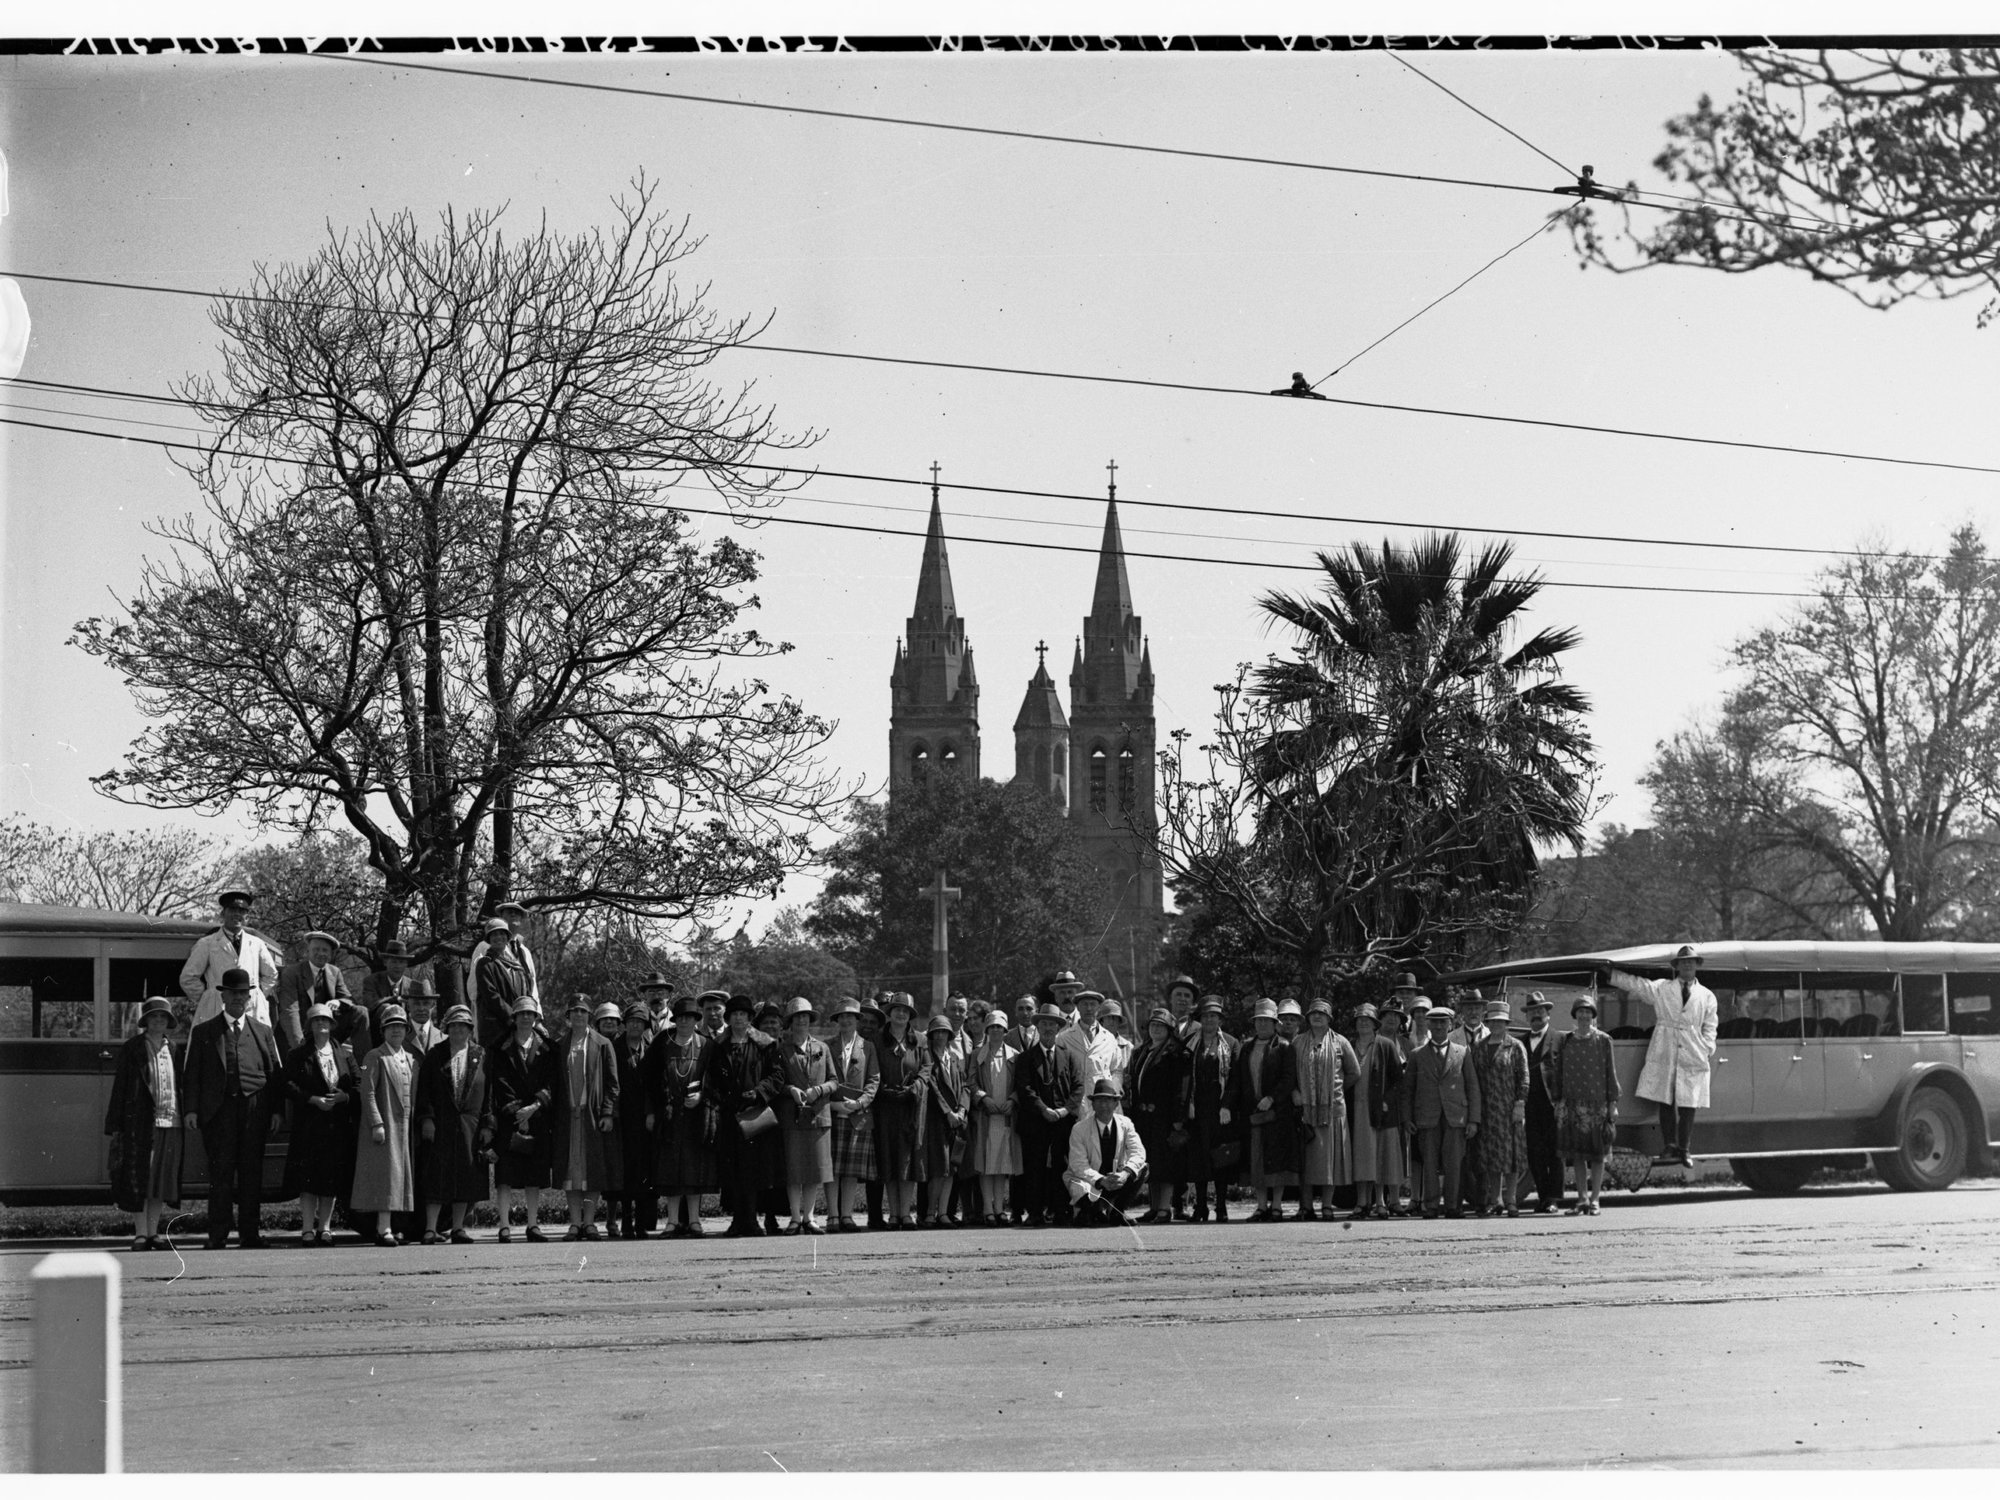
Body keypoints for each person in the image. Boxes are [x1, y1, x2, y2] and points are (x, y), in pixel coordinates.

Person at [182, 967, 285, 1249]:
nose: (238, 998)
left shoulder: (263, 1032)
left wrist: (276, 1111)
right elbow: (192, 1075)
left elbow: (273, 1074)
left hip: (255, 1111)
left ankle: (250, 1235)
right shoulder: (205, 1032)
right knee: (221, 1174)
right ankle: (218, 1235)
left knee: (252, 1175)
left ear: (249, 997)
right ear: (223, 996)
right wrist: (191, 1110)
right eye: (233, 993)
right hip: (219, 1112)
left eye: (243, 993)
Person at [1608, 945, 1718, 1166]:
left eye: (1691, 961)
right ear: (1677, 966)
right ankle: (1669, 1145)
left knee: (1689, 1103)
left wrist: (1707, 1047)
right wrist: (1612, 975)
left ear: (1697, 965)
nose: (1687, 965)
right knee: (1666, 1100)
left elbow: (1710, 1026)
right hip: (1666, 1045)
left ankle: (1684, 1149)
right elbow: (1637, 985)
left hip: (1693, 1049)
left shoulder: (1706, 995)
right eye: (1683, 962)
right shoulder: (1663, 988)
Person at [105, 995, 184, 1250]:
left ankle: (154, 1233)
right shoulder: (133, 1048)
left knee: (159, 1180)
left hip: (169, 1121)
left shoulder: (173, 1048)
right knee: (139, 1178)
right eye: (154, 1017)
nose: (158, 1021)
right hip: (140, 1123)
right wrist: (116, 1124)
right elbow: (121, 1087)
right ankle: (140, 1234)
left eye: (163, 1017)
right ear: (146, 1021)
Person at [281, 1001, 360, 1245]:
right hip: (309, 1124)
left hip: (337, 1125)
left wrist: (344, 1097)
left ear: (332, 1024)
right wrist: (312, 1099)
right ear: (310, 1025)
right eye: (316, 1021)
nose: (321, 1024)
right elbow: (288, 1085)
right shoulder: (297, 1054)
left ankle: (325, 1228)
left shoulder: (345, 1053)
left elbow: (358, 1083)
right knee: (308, 1179)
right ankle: (307, 1228)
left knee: (331, 1178)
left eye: (325, 1020)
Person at [416, 1003, 491, 1244]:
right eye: (454, 1025)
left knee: (466, 1176)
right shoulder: (435, 1054)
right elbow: (424, 1091)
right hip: (441, 1124)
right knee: (437, 1176)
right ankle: (430, 1229)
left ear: (470, 1028)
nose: (458, 1029)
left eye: (463, 1025)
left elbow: (489, 1093)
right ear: (447, 1027)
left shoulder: (481, 1055)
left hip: (471, 1124)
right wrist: (426, 1118)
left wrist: (488, 1125)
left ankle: (458, 1228)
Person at [707, 993, 781, 1237]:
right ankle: (737, 1220)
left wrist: (759, 1093)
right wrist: (723, 1099)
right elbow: (711, 1079)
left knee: (754, 1169)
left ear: (750, 1018)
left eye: (743, 1014)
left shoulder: (765, 1044)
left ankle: (752, 1219)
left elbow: (777, 1076)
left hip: (755, 1115)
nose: (739, 1018)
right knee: (732, 1170)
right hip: (729, 1115)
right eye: (735, 1014)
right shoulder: (718, 1046)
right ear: (728, 1018)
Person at [1400, 1004, 1481, 1219]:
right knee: (1429, 1163)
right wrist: (1407, 1118)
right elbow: (1408, 1090)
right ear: (1427, 1023)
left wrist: (1473, 1120)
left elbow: (1472, 1086)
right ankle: (1432, 1206)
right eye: (1433, 1021)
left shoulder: (1462, 1053)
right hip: (1427, 1116)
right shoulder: (1417, 1055)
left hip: (1456, 1116)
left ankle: (1453, 1206)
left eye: (1442, 1022)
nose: (1438, 1026)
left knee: (1454, 1163)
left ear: (1450, 1024)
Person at [647, 994, 716, 1237]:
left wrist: (702, 1097)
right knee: (670, 1171)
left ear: (697, 1019)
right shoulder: (662, 1043)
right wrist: (651, 1111)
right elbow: (649, 1080)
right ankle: (673, 1221)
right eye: (681, 1018)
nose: (685, 1022)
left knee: (694, 1170)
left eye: (690, 1018)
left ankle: (695, 1221)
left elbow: (717, 1080)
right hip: (669, 1116)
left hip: (697, 1117)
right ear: (675, 1020)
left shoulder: (707, 1045)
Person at [552, 994, 619, 1241]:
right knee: (571, 1172)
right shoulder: (559, 1045)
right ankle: (574, 1223)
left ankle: (590, 1223)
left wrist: (608, 1112)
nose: (578, 1015)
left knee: (593, 1171)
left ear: (589, 1016)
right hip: (568, 1118)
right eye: (574, 1011)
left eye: (582, 1011)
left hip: (592, 1117)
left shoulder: (602, 1044)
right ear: (568, 1017)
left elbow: (613, 1084)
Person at [490, 994, 555, 1243]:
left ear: (536, 1017)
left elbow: (552, 1081)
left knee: (533, 1176)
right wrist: (518, 1111)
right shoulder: (500, 1048)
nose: (526, 1018)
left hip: (537, 1118)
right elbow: (500, 1082)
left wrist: (535, 1107)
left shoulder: (548, 1047)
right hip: (509, 1119)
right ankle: (504, 1226)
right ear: (514, 1018)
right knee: (505, 1176)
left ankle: (533, 1225)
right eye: (521, 1014)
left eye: (530, 1013)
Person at [352, 1004, 418, 1247]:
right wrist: (377, 1123)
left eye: (400, 1027)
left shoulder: (409, 1058)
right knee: (385, 1178)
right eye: (391, 1027)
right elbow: (367, 1093)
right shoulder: (375, 1056)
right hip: (385, 1125)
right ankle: (384, 1229)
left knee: (400, 1178)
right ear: (383, 1031)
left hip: (404, 1127)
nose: (396, 1031)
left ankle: (396, 1227)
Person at [1550, 994, 1621, 1215]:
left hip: (1598, 1105)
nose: (1584, 1015)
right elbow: (1559, 1071)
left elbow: (1611, 1072)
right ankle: (1581, 1198)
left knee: (1598, 1154)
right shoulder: (1567, 1040)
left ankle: (1595, 1199)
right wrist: (1558, 1101)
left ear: (1593, 1015)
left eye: (1588, 1012)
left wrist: (1613, 1103)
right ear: (1575, 1014)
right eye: (1580, 1011)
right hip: (1572, 1105)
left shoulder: (1603, 1040)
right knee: (1578, 1154)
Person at [769, 997, 835, 1234]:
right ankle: (795, 1217)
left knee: (815, 1170)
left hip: (818, 1115)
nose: (802, 1021)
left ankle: (810, 1217)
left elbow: (834, 1081)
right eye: (797, 1017)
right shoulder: (781, 1049)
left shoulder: (822, 1048)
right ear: (790, 1022)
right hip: (792, 1116)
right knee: (794, 1170)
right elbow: (777, 1082)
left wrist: (819, 1089)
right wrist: (791, 1090)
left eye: (805, 1017)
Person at [1013, 1000, 1081, 1227]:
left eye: (1053, 1024)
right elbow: (1025, 1089)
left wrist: (1063, 1111)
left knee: (1062, 1166)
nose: (1048, 1028)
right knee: (1035, 1167)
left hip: (1063, 1121)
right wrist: (1044, 1110)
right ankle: (1034, 1212)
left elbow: (1078, 1087)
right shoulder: (1025, 1058)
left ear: (1059, 1027)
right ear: (1038, 1027)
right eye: (1044, 1023)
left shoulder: (1069, 1055)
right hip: (1035, 1121)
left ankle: (1061, 1210)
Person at [1293, 999, 1359, 1221]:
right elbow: (1290, 1073)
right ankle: (1306, 1206)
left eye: (1322, 1014)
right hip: (1306, 1111)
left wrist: (1335, 1089)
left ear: (1329, 1018)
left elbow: (1354, 1072)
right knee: (1308, 1161)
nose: (1317, 1017)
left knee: (1330, 1162)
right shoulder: (1298, 1042)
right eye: (1313, 1014)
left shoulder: (1340, 1042)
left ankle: (1328, 1206)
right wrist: (1297, 1092)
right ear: (1308, 1017)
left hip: (1333, 1110)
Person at [1234, 998, 1299, 1221]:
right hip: (1253, 1112)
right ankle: (1261, 1206)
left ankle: (1277, 1206)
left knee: (1277, 1160)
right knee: (1257, 1159)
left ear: (1275, 1023)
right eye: (1259, 1020)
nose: (1262, 1025)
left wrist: (1272, 1098)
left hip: (1277, 1113)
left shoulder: (1284, 1047)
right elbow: (1238, 1080)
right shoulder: (1246, 1048)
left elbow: (1289, 1078)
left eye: (1267, 1021)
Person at [180, 890, 279, 1029]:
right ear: (223, 913)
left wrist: (257, 995)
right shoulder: (207, 943)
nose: (237, 914)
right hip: (217, 1009)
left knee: (255, 1046)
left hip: (252, 1010)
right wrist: (209, 997)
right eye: (232, 909)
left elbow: (271, 975)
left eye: (242, 910)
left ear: (247, 916)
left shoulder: (257, 944)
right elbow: (188, 977)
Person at [1124, 1007, 1187, 1224]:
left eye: (1161, 1026)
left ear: (1169, 1030)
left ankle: (1164, 1208)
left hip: (1165, 1116)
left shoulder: (1176, 1053)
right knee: (1149, 1161)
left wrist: (1179, 1118)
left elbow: (1180, 1089)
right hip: (1143, 1117)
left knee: (1165, 1162)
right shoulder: (1142, 1051)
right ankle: (1153, 1207)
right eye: (1153, 1025)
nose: (1156, 1029)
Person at [1469, 999, 1531, 1218]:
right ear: (1488, 1022)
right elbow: (1473, 1079)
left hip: (1508, 1109)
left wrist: (1520, 1104)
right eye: (1493, 1021)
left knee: (1511, 1158)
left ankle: (1511, 1200)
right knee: (1491, 1157)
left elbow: (1524, 1077)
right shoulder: (1479, 1047)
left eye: (1501, 1021)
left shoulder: (1515, 1046)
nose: (1497, 1025)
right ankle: (1495, 1200)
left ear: (1506, 1023)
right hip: (1486, 1111)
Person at [871, 993, 928, 1229]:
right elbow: (871, 1069)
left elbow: (926, 1070)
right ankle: (893, 1213)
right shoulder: (876, 1040)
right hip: (885, 1107)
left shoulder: (920, 1041)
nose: (901, 1014)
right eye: (897, 1009)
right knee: (888, 1159)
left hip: (909, 1107)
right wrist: (882, 1090)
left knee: (907, 1160)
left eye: (905, 1010)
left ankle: (906, 1213)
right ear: (890, 1012)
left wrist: (914, 1088)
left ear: (910, 1015)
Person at [1183, 996, 1239, 1223]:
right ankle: (1201, 1206)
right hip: (1198, 1109)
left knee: (1221, 1158)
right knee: (1199, 1159)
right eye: (1205, 1016)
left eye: (1213, 1016)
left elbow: (1235, 1079)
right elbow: (1184, 1076)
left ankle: (1222, 1205)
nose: (1209, 1019)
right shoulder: (1190, 1043)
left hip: (1221, 1109)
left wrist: (1226, 1105)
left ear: (1220, 1019)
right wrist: (1189, 1103)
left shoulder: (1231, 1043)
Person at [1064, 1077, 1149, 1226]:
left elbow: (1138, 1152)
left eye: (1109, 1100)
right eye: (1100, 1100)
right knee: (1084, 1205)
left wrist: (1124, 1174)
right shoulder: (1079, 1129)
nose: (1104, 1105)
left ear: (1116, 1104)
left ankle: (1118, 1211)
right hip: (1090, 1182)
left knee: (1143, 1168)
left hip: (1117, 1180)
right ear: (1093, 1104)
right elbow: (1078, 1165)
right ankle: (1091, 1211)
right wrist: (1101, 1180)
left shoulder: (1126, 1123)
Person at [1348, 1003, 1406, 1220]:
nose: (1363, 1023)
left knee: (1381, 1156)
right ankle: (1362, 1202)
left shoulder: (1385, 1045)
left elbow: (1397, 1080)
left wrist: (1386, 1101)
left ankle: (1381, 1202)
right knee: (1361, 1157)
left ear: (1375, 1024)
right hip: (1356, 1109)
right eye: (1359, 1020)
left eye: (1368, 1020)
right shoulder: (1349, 1045)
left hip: (1379, 1110)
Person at [826, 996, 879, 1232]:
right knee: (832, 1170)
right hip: (833, 1113)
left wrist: (861, 1102)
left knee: (850, 1171)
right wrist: (832, 1105)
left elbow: (873, 1079)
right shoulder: (826, 1046)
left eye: (850, 1016)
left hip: (858, 1114)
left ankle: (847, 1216)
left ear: (857, 1020)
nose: (846, 1020)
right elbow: (821, 1079)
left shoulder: (868, 1047)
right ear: (837, 1020)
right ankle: (833, 1216)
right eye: (842, 1016)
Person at [968, 1010, 1021, 1225]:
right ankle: (987, 1209)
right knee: (986, 1163)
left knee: (1003, 1164)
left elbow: (1020, 1083)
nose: (996, 1030)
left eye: (1000, 1027)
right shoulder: (977, 1055)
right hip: (986, 1117)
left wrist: (1013, 1100)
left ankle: (1000, 1209)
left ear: (1005, 1030)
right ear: (987, 1030)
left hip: (1007, 1117)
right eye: (992, 1027)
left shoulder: (1015, 1056)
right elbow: (970, 1082)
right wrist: (983, 1099)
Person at [608, 1004, 657, 1238]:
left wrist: (650, 1112)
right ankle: (625, 1219)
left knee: (643, 1170)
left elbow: (655, 1086)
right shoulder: (614, 1048)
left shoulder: (651, 1049)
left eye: (640, 1022)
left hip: (644, 1119)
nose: (635, 1025)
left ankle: (641, 1221)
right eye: (631, 1021)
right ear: (625, 1024)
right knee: (624, 1171)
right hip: (622, 1118)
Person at [920, 1011, 970, 1227]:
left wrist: (962, 1111)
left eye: (944, 1032)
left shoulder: (955, 1058)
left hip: (957, 1122)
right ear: (931, 1034)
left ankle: (943, 1213)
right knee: (938, 1169)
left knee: (952, 1168)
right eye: (936, 1032)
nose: (940, 1036)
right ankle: (930, 1213)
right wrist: (947, 1112)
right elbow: (931, 1086)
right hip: (937, 1121)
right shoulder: (928, 1057)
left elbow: (965, 1087)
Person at [1519, 992, 1566, 1212]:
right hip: (1529, 1105)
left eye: (1540, 1011)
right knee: (1534, 1153)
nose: (1536, 1015)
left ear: (1548, 1014)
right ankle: (1543, 1196)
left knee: (1554, 1152)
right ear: (1527, 1017)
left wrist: (1563, 1102)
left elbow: (1566, 1073)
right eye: (1532, 1012)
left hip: (1552, 1104)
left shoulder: (1560, 1039)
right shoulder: (1520, 1042)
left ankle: (1554, 1199)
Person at [271, 928, 350, 1055]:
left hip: (324, 1029)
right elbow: (290, 1010)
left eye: (325, 950)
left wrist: (338, 1002)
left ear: (331, 954)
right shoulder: (292, 972)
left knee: (360, 1012)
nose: (320, 953)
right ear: (307, 951)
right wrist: (299, 1046)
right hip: (298, 1032)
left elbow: (349, 999)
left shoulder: (335, 972)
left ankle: (363, 1064)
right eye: (316, 949)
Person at [467, 900, 539, 1021]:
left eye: (517, 912)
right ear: (501, 917)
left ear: (521, 919)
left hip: (524, 1019)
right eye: (509, 912)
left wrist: (537, 1018)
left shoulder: (524, 951)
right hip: (495, 1020)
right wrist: (478, 1016)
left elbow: (532, 986)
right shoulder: (485, 947)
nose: (513, 914)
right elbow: (474, 988)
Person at [1056, 989, 1121, 1113]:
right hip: (1076, 1103)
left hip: (1104, 1102)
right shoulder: (1063, 1038)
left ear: (1099, 1008)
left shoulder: (1109, 1038)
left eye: (1093, 1004)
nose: (1089, 1008)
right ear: (1078, 1007)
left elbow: (1116, 1070)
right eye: (1084, 1004)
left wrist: (1114, 1090)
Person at [473, 919, 535, 1047]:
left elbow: (527, 994)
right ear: (489, 939)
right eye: (494, 934)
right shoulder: (485, 963)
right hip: (496, 1028)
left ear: (507, 937)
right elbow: (491, 996)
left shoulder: (517, 966)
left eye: (501, 933)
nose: (498, 937)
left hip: (518, 1027)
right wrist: (513, 1017)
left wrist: (525, 1015)